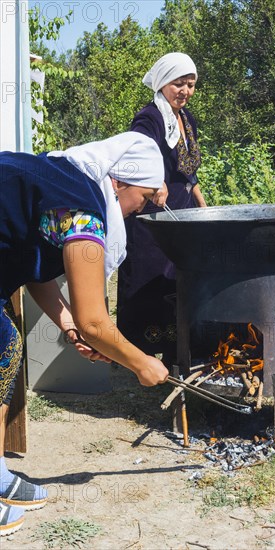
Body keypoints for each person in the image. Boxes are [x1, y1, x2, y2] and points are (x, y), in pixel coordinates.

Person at [0, 132, 169, 535]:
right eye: (142, 199)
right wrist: (142, 364)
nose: (136, 211)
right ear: (118, 182)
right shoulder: (83, 210)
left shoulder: (61, 182)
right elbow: (97, 323)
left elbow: (32, 269)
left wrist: (68, 324)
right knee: (2, 348)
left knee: (5, 347)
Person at [117, 53, 206, 363]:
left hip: (181, 211)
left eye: (191, 85)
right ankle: (134, 351)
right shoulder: (149, 118)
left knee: (174, 278)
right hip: (151, 212)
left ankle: (172, 347)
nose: (185, 91)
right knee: (147, 277)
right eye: (178, 84)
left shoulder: (188, 120)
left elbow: (190, 174)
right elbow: (136, 158)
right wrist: (156, 181)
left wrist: (204, 207)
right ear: (162, 82)